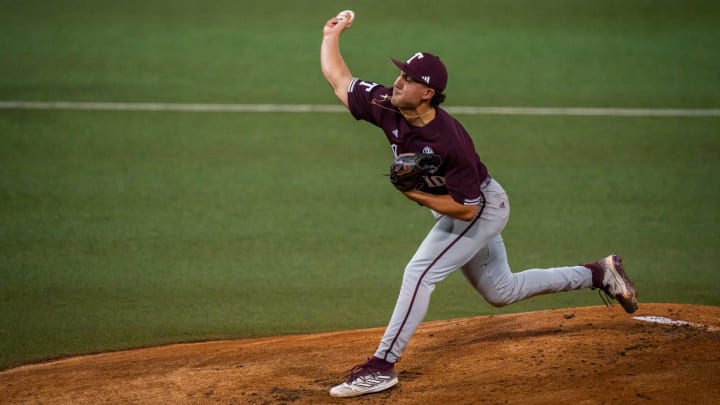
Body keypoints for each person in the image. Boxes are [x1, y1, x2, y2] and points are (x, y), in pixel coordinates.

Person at [320, 12, 638, 399]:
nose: (398, 81)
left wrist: (414, 194)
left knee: (419, 273)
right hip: (458, 207)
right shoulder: (388, 103)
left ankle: (381, 366)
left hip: (480, 208)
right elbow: (339, 80)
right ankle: (600, 274)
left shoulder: (448, 141)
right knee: (500, 290)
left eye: (408, 79)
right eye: (401, 74)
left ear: (428, 94)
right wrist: (331, 36)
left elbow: (468, 210)